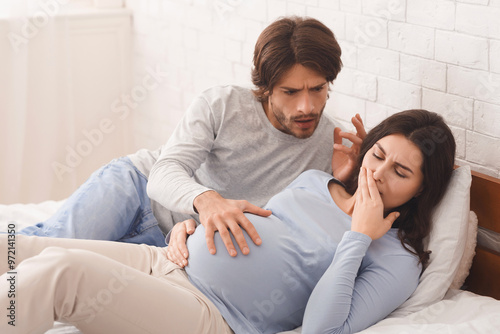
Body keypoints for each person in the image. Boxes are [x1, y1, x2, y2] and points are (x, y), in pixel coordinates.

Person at [1, 109, 456, 334]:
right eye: (377, 155)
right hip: (166, 260)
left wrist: (357, 237)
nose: (377, 173)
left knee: (63, 272)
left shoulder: (398, 256)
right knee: (20, 248)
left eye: (400, 172)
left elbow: (322, 327)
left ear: (422, 189)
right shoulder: (318, 181)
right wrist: (191, 227)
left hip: (212, 315)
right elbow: (257, 226)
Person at [18, 16, 366, 259]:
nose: (307, 106)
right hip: (137, 189)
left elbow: (312, 223)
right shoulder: (223, 104)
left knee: (66, 272)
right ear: (265, 88)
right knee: (42, 247)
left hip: (177, 237)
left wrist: (345, 179)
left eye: (318, 89)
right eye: (290, 92)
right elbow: (164, 172)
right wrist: (208, 199)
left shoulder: (332, 144)